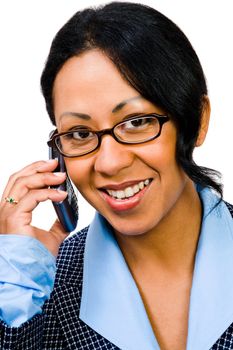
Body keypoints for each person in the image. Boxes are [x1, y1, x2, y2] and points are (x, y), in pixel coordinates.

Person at [0, 2, 232, 349]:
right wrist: (15, 297)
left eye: (137, 122)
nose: (108, 163)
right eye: (79, 133)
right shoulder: (34, 285)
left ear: (196, 121)